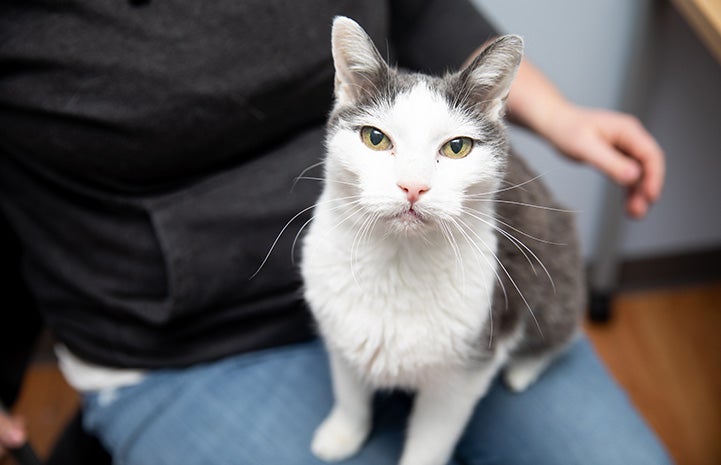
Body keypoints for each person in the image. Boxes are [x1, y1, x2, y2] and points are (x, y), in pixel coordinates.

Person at [0, 0, 668, 464]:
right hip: (171, 339)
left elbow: (420, 8)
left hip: (434, 283)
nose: (413, 180)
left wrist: (555, 116)